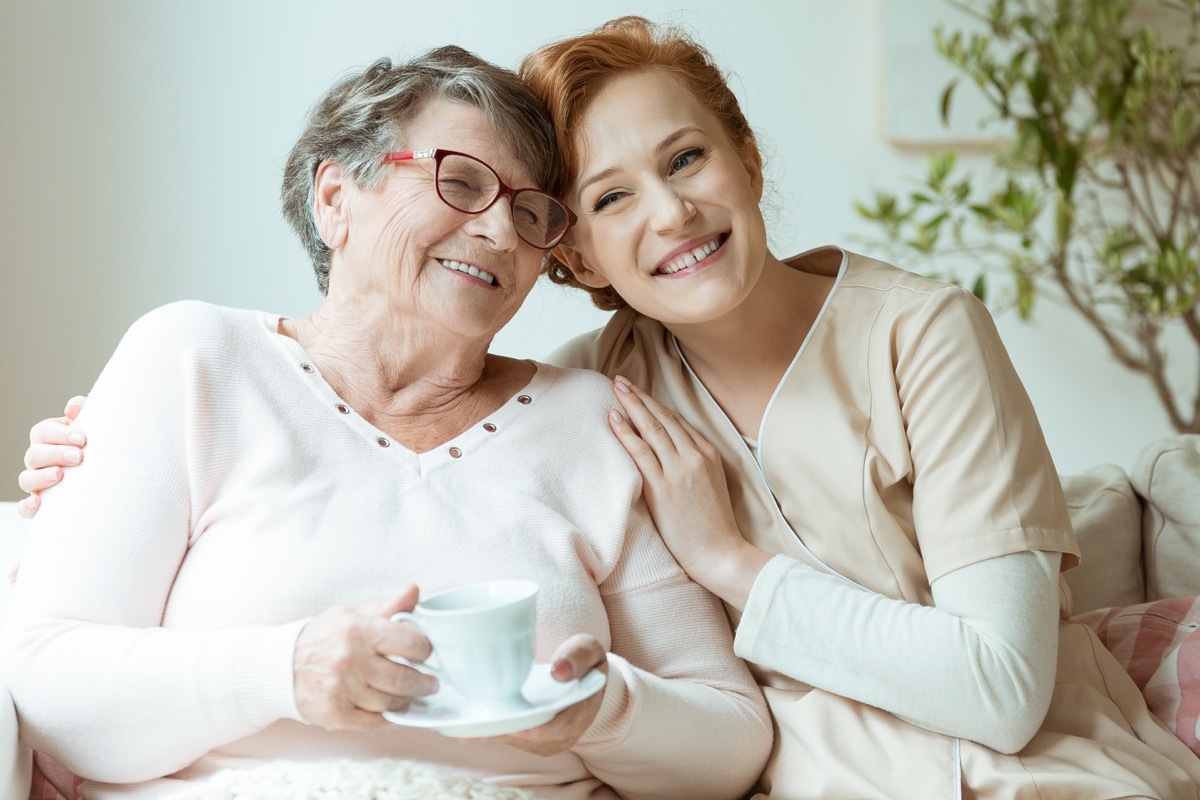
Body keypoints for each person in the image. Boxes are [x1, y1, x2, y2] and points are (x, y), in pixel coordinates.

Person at [21, 16, 1200, 800]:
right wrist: (100, 459)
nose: (670, 217)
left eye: (687, 160)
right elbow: (58, 667)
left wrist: (678, 621)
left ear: (743, 153)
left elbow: (946, 697)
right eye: (466, 184)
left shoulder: (871, 343)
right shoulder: (595, 390)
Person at [1, 44, 771, 800]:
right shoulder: (193, 360)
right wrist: (283, 671)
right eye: (462, 182)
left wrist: (603, 712)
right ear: (334, 199)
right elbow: (51, 685)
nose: (503, 234)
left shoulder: (594, 421)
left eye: (532, 213)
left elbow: (731, 743)